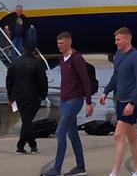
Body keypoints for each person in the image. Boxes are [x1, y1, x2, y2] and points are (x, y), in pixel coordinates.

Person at [44, 32, 93, 176]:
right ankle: (80, 167)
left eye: (62, 43)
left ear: (69, 43)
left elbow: (85, 81)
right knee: (72, 134)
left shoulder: (76, 59)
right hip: (64, 101)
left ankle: (56, 169)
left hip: (75, 100)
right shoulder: (62, 59)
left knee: (60, 132)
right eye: (58, 43)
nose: (59, 46)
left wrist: (89, 102)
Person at [101, 27, 137, 176]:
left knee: (118, 135)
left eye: (118, 39)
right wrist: (106, 91)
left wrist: (132, 103)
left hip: (131, 102)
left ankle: (115, 172)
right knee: (133, 139)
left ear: (127, 39)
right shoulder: (118, 55)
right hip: (120, 101)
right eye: (115, 39)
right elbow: (116, 75)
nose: (116, 42)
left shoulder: (136, 56)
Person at [7, 46, 49, 155]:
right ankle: (21, 146)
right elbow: (43, 81)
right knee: (27, 121)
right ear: (34, 51)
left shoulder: (14, 63)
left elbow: (9, 81)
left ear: (23, 50)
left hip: (18, 97)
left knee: (26, 121)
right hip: (33, 96)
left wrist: (10, 97)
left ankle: (31, 145)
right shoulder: (38, 63)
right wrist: (43, 95)